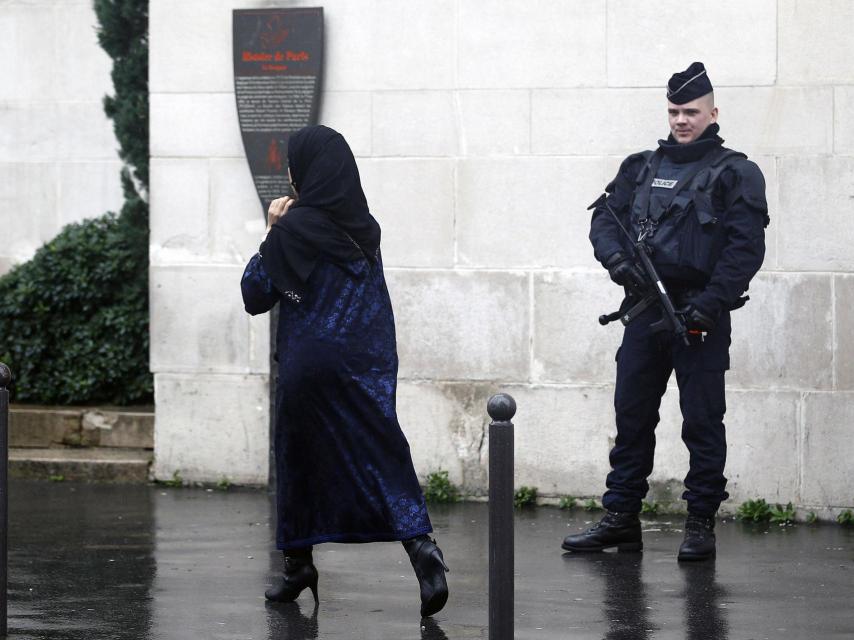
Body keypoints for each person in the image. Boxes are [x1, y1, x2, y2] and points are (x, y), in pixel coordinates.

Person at [563, 62, 768, 561]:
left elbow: (745, 250)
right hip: (641, 311)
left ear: (712, 112)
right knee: (631, 417)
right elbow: (604, 221)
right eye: (674, 110)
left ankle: (700, 523)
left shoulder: (737, 172)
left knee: (702, 422)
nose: (681, 120)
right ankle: (620, 518)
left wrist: (709, 305)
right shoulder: (641, 166)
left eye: (691, 111)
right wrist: (617, 263)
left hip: (698, 317)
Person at [241, 125, 449, 616]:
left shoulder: (295, 228)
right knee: (382, 454)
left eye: (293, 165)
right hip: (365, 363)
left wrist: (271, 230)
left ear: (306, 171)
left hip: (309, 365)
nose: (290, 174)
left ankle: (297, 563)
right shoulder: (364, 227)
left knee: (299, 460)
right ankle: (422, 551)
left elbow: (255, 294)